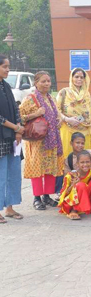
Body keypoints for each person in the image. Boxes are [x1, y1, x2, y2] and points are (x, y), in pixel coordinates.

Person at [20, 71, 64, 211]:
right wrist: (36, 114)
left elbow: (56, 114)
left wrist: (60, 119)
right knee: (37, 169)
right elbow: (20, 117)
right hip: (38, 141)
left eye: (48, 81)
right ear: (36, 83)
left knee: (50, 168)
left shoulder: (51, 98)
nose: (46, 84)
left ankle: (46, 196)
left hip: (52, 139)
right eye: (43, 81)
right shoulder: (30, 99)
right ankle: (37, 198)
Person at [0, 54, 24, 223]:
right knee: (1, 174)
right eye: (5, 66)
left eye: (8, 66)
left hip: (12, 139)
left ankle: (9, 207)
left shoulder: (6, 86)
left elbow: (16, 109)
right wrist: (15, 127)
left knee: (13, 173)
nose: (8, 69)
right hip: (1, 138)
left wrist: (18, 130)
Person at [58, 150, 91, 219]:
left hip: (84, 199)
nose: (85, 165)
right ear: (77, 164)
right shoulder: (71, 175)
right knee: (80, 185)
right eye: (82, 162)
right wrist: (73, 185)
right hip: (70, 203)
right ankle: (74, 210)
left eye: (87, 162)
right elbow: (64, 194)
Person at [57, 68, 91, 156]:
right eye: (76, 77)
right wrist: (67, 119)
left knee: (84, 158)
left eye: (81, 77)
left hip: (85, 129)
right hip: (68, 128)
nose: (79, 79)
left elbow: (90, 113)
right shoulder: (64, 92)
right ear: (72, 78)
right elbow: (56, 110)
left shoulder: (86, 94)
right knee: (68, 156)